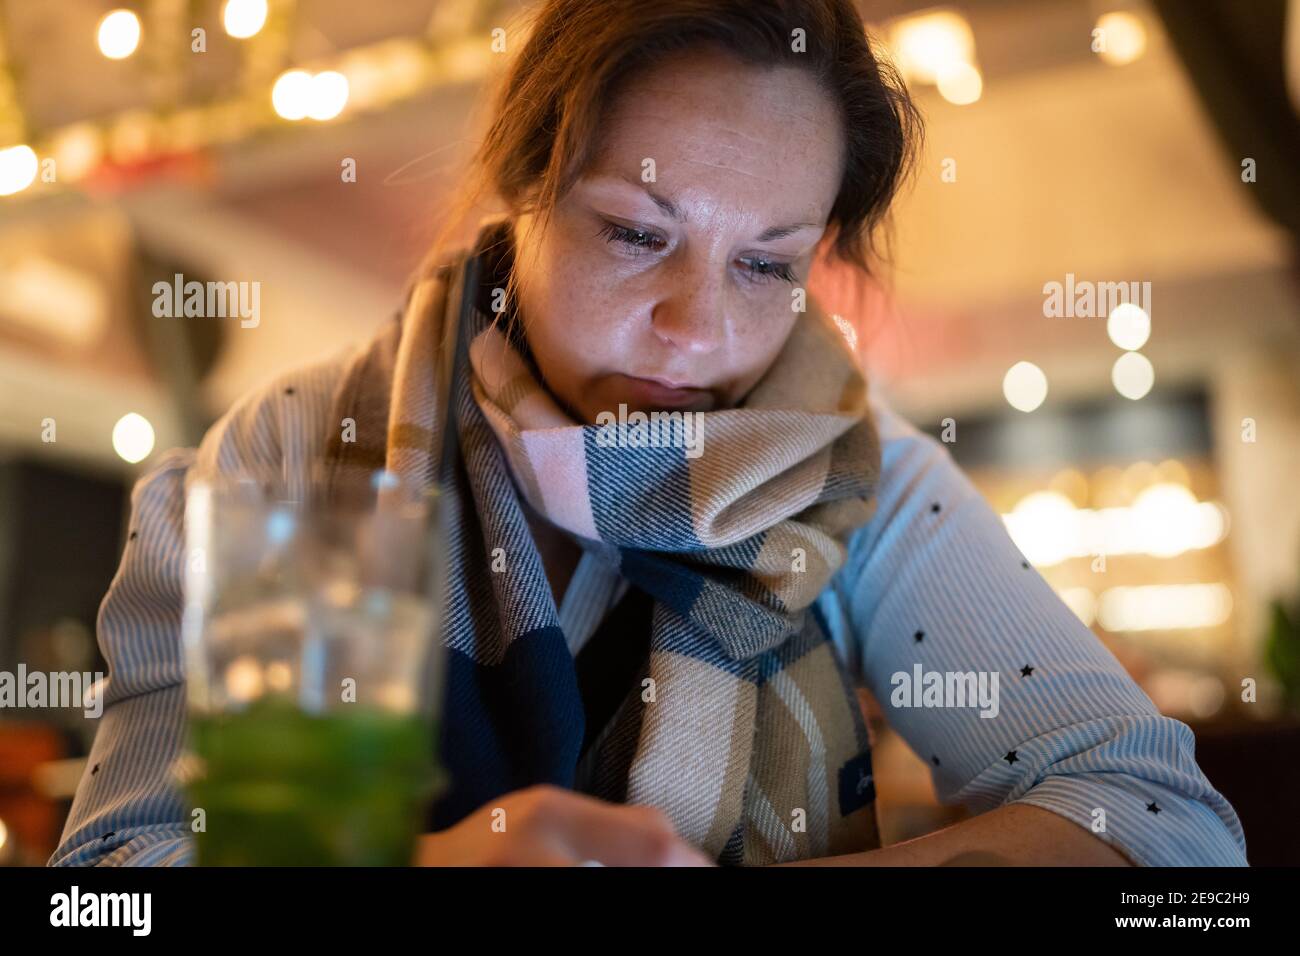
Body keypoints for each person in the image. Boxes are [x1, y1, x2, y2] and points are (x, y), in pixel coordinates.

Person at [50, 0, 1247, 867]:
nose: (697, 327)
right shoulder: (285, 457)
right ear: (522, 191)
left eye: (767, 261)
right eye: (635, 231)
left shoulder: (849, 478)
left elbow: (1164, 822)